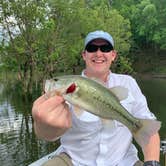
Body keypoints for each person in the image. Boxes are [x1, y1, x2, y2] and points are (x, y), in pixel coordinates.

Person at [32, 30, 161, 166]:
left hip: (124, 161)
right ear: (84, 55)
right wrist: (42, 123)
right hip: (74, 160)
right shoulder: (64, 95)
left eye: (105, 48)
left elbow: (149, 129)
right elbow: (47, 135)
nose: (98, 53)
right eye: (92, 48)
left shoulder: (128, 83)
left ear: (113, 55)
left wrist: (152, 163)